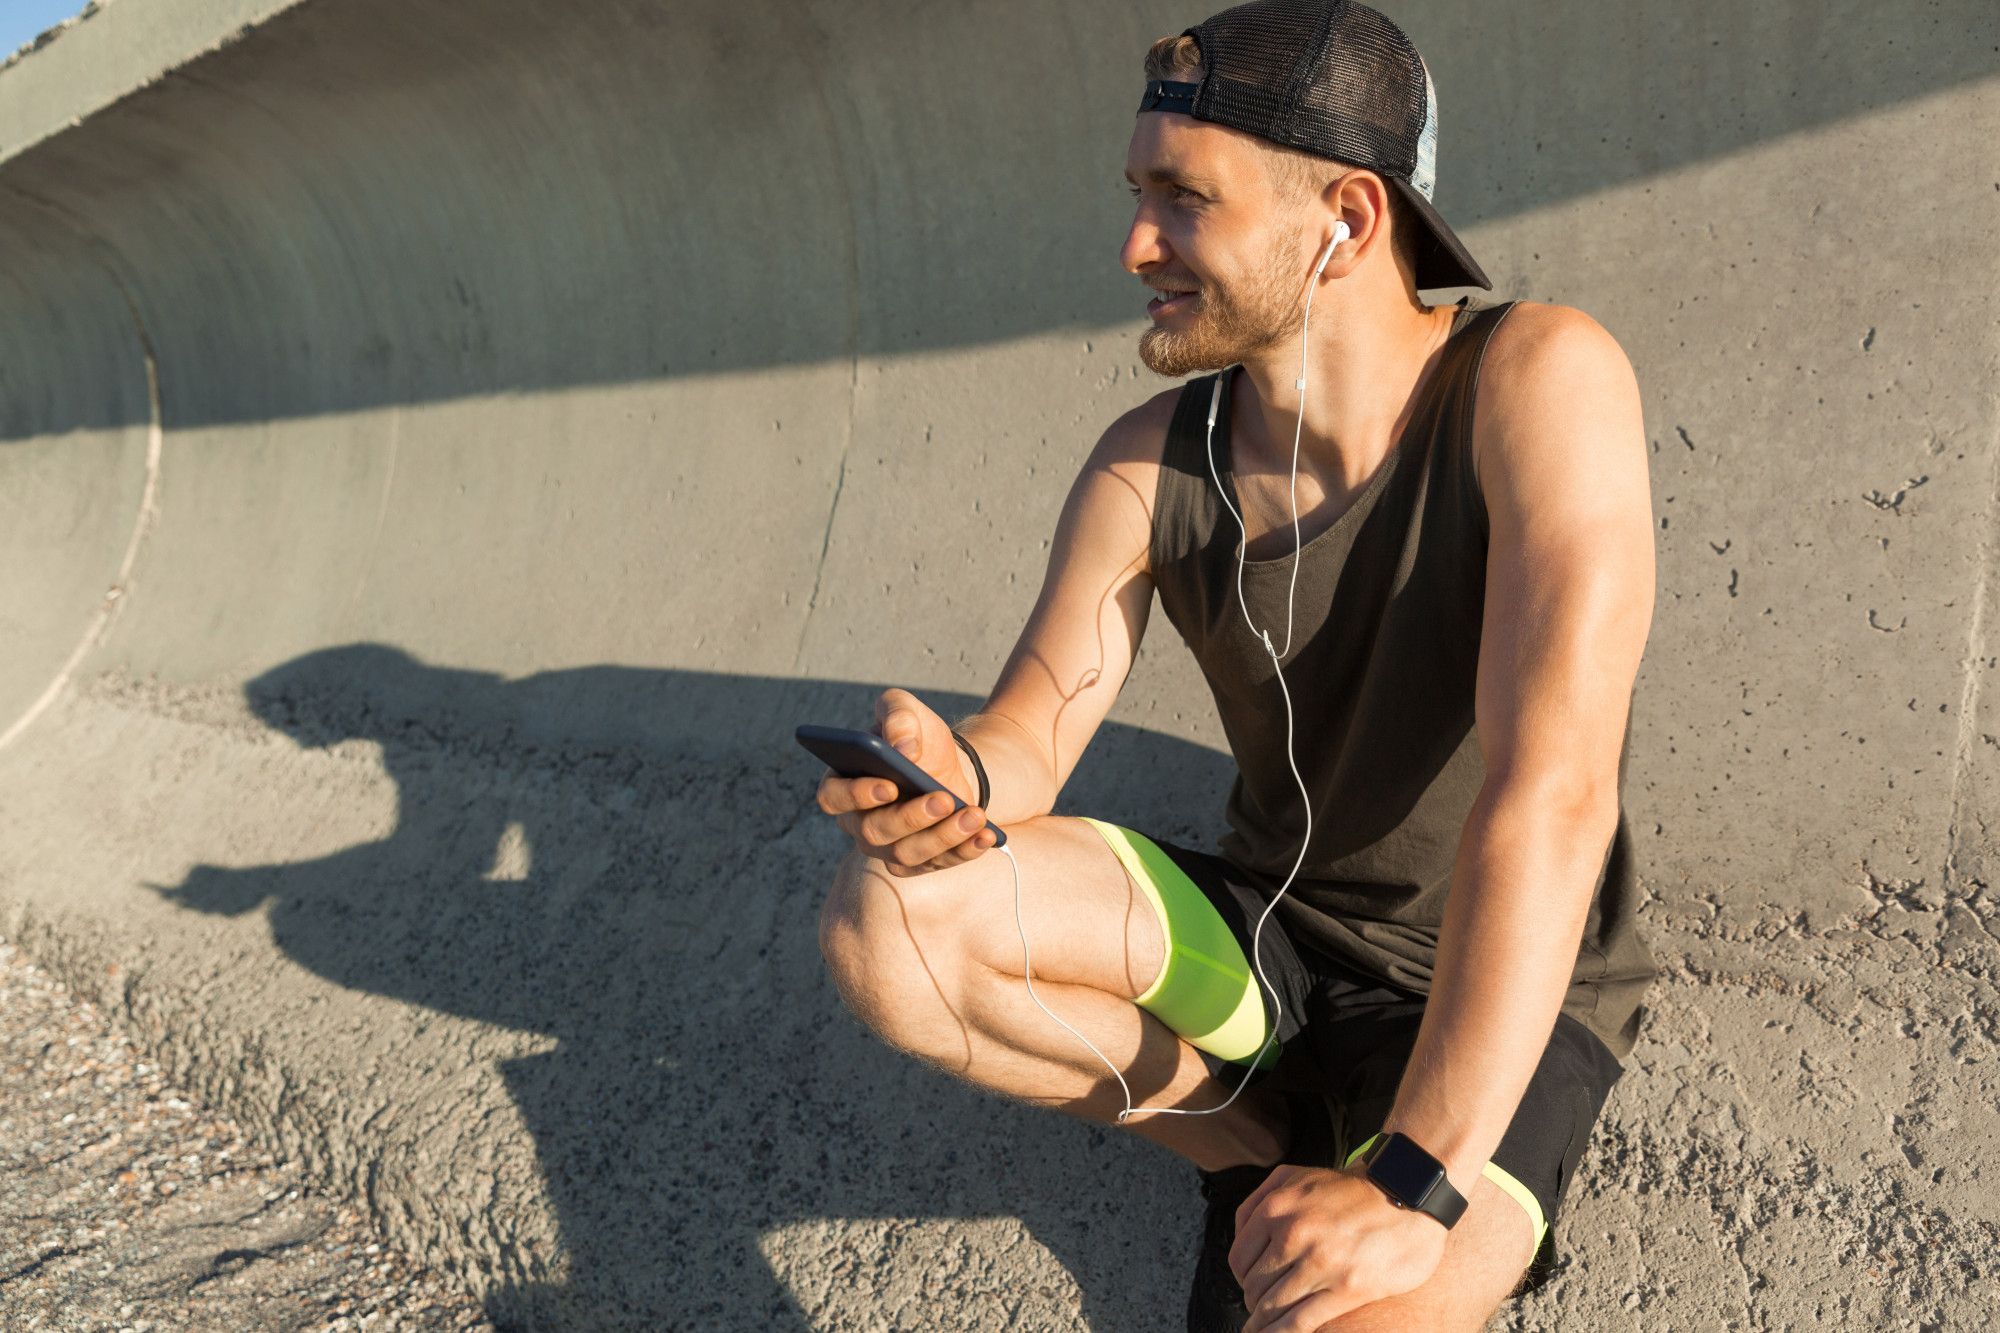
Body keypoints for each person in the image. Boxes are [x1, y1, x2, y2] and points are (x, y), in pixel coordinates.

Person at [813, 1, 1658, 1328]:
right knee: (893, 931)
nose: (1135, 242)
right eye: (1137, 193)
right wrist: (947, 779)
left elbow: (1552, 793)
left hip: (1492, 979)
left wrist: (1418, 1182)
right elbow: (1029, 739)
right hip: (1265, 934)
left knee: (1360, 1315)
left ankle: (1367, 1154)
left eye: (1183, 199)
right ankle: (1254, 1143)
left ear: (1351, 221)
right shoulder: (1148, 461)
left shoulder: (1538, 379)